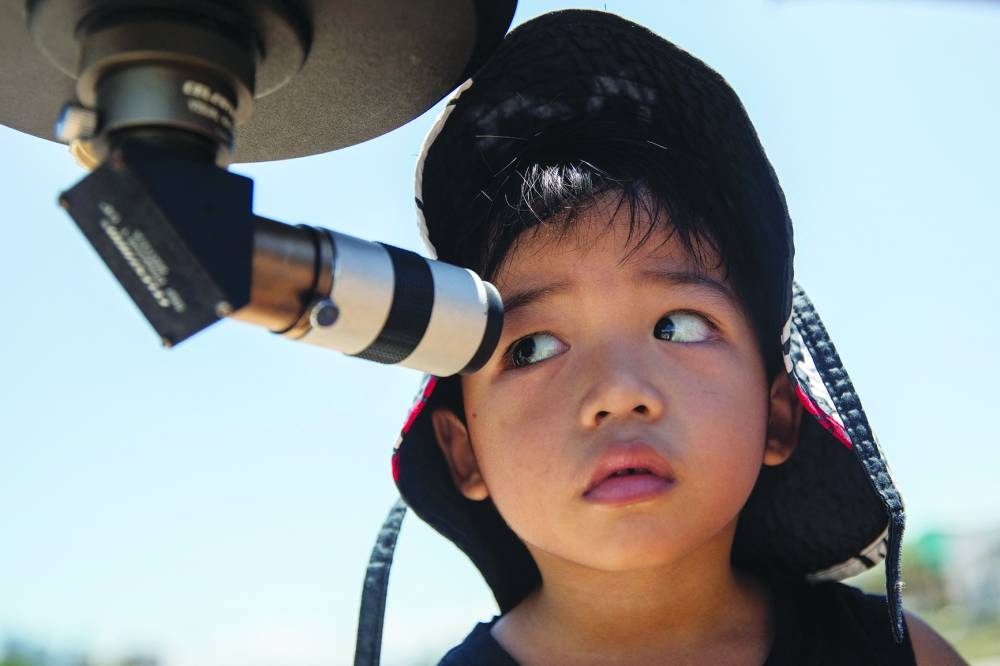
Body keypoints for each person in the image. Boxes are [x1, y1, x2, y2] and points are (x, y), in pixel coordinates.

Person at [361, 9, 966, 665]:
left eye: (677, 326)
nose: (618, 393)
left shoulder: (901, 655)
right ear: (463, 452)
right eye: (532, 347)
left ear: (778, 412)